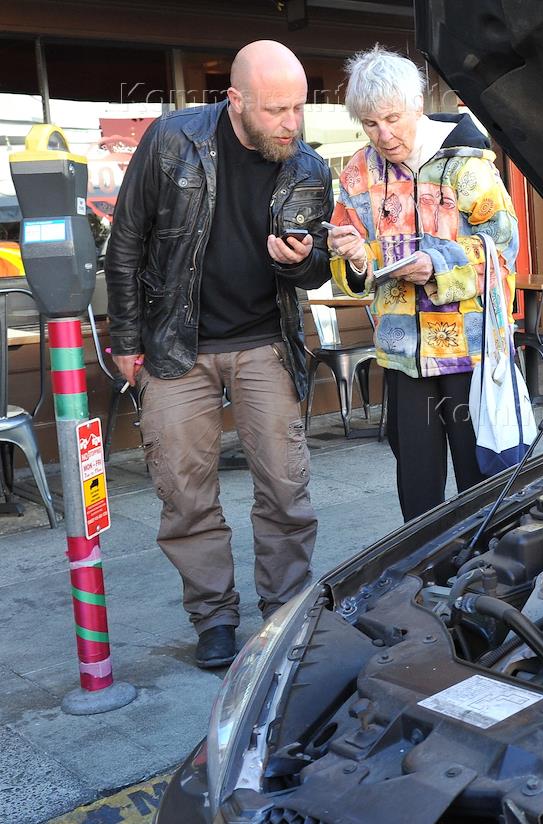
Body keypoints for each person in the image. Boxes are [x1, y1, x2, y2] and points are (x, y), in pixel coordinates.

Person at [106, 40, 333, 668]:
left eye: (299, 108)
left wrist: (302, 261)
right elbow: (125, 241)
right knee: (183, 493)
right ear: (236, 100)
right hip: (175, 344)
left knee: (285, 488)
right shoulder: (171, 141)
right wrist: (125, 339)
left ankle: (284, 612)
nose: (291, 123)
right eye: (276, 110)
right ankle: (213, 618)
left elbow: (318, 267)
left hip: (266, 341)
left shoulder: (309, 167)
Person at [328, 45, 519, 519]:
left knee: (481, 482)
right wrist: (355, 258)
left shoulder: (467, 165)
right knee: (416, 485)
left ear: (417, 105)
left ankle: (486, 560)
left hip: (470, 354)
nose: (384, 135)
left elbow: (503, 252)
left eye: (393, 118)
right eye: (370, 124)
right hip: (402, 354)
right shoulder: (358, 172)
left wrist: (437, 267)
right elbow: (349, 271)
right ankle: (426, 563)